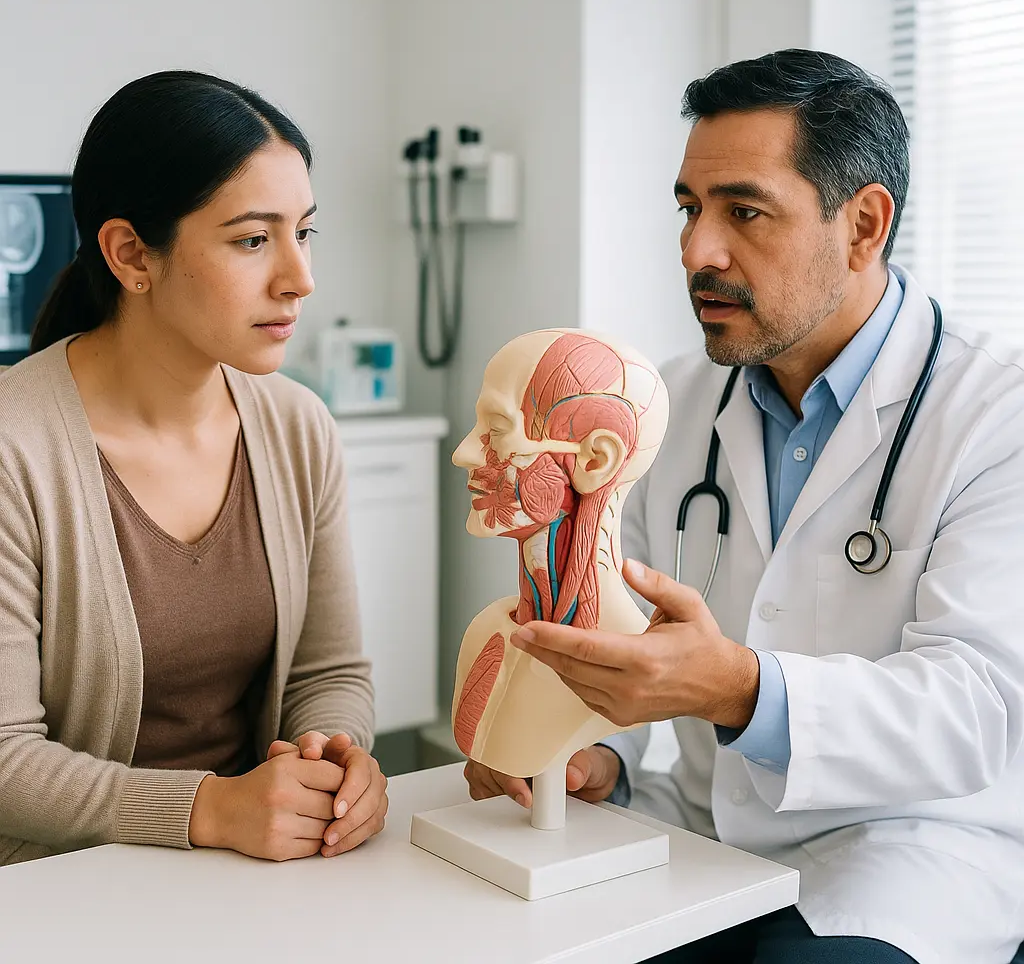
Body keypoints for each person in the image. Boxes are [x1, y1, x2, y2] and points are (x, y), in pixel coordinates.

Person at [464, 50, 1024, 964]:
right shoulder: (662, 408)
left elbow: (978, 714)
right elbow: (623, 642)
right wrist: (595, 758)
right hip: (698, 834)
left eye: (744, 212)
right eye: (689, 208)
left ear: (865, 225)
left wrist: (742, 691)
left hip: (909, 856)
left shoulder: (997, 413)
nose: (696, 252)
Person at [0, 71, 387, 868]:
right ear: (131, 254)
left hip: (252, 871)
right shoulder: (16, 449)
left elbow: (332, 670)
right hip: (59, 888)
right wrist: (208, 807)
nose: (299, 277)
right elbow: (5, 757)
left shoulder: (298, 428)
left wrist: (334, 765)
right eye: (253, 239)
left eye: (304, 232)